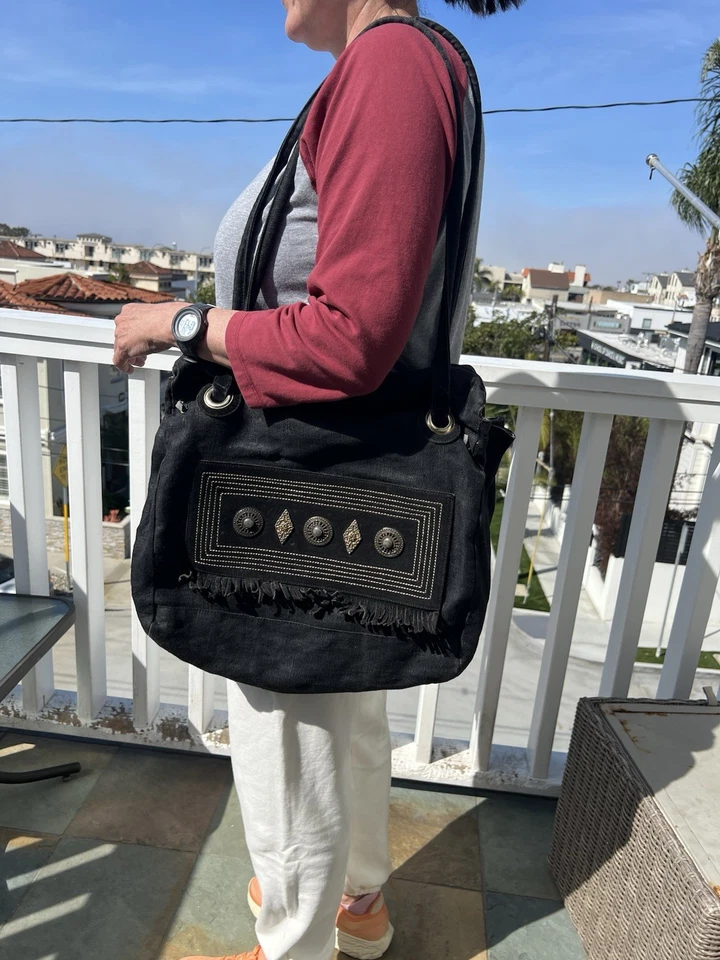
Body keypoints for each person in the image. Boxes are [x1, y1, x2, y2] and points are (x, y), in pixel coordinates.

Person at [113, 2, 525, 958]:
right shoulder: (416, 64)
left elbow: (351, 336)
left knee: (284, 721)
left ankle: (294, 941)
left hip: (301, 470)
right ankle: (357, 903)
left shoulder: (389, 67)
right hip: (353, 472)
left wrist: (182, 324)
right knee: (343, 698)